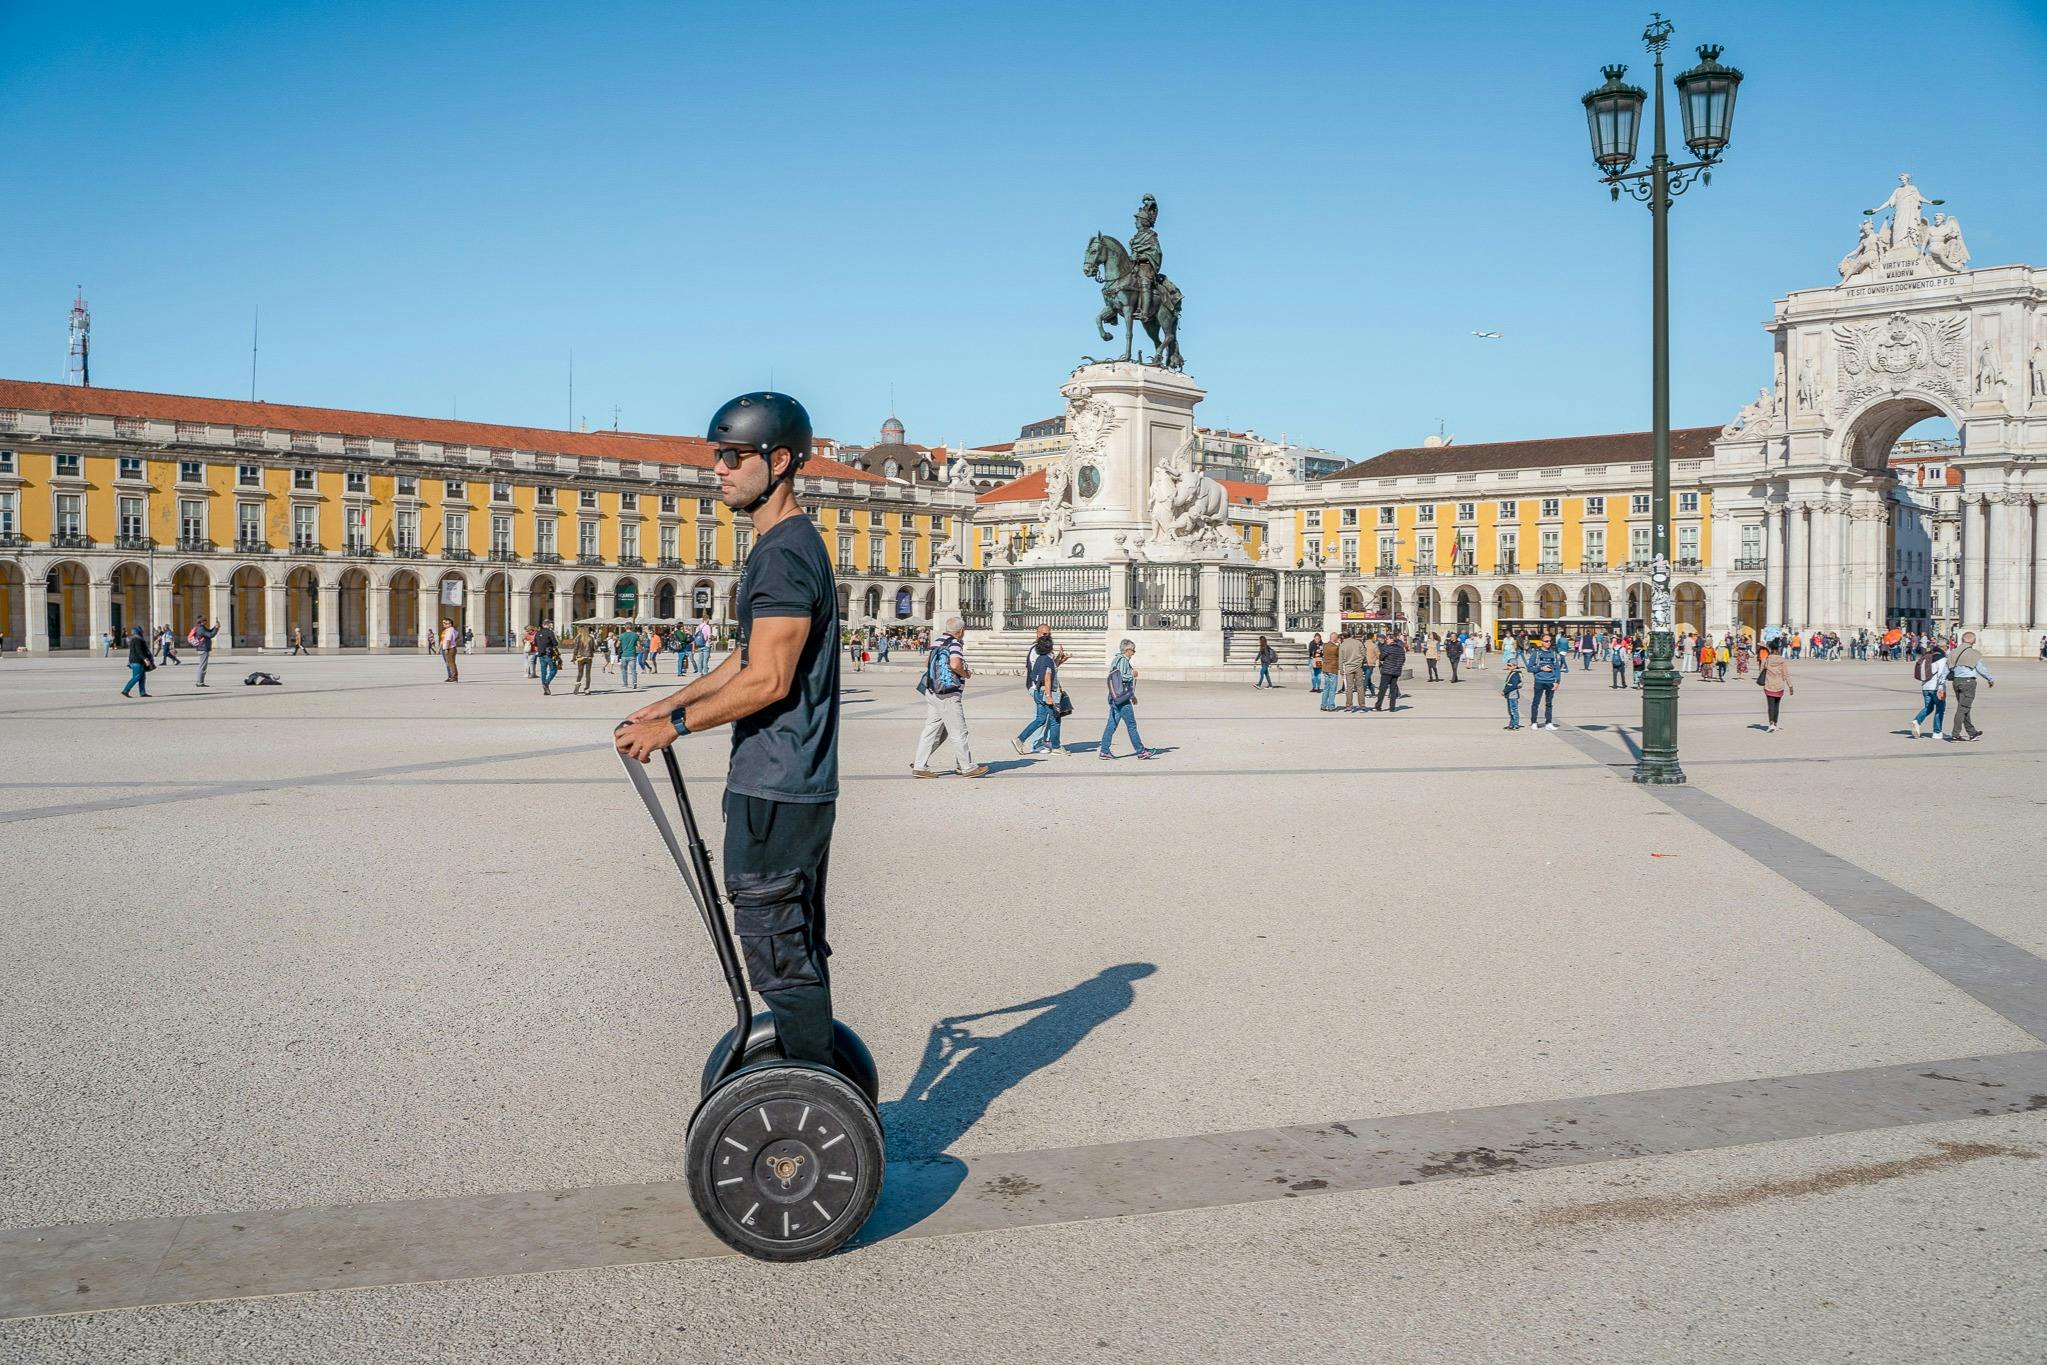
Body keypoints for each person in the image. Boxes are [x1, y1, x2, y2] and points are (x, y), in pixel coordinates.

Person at [616, 390, 845, 1067]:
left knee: (777, 955)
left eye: (733, 455)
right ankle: (813, 1074)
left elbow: (769, 680)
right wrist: (665, 705)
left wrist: (676, 727)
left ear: (779, 461)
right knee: (790, 943)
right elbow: (742, 659)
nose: (718, 467)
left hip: (779, 786)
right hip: (782, 783)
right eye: (717, 454)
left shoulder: (782, 554)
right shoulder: (784, 545)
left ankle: (809, 1090)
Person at [913, 617, 987, 777]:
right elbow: (955, 664)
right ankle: (967, 767)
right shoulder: (954, 643)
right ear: (961, 631)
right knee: (959, 731)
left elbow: (926, 664)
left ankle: (919, 766)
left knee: (930, 729)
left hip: (932, 690)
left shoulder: (938, 641)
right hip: (948, 694)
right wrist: (965, 674)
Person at [1099, 639, 1157, 759]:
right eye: (1133, 650)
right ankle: (1140, 751)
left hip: (1115, 696)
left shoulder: (1116, 659)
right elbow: (1121, 678)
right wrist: (1132, 675)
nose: (1134, 653)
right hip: (1122, 699)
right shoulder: (1123, 660)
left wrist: (1133, 695)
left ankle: (1104, 750)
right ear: (1127, 650)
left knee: (1112, 723)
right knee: (1131, 725)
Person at [1013, 637, 1063, 756]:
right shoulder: (1047, 660)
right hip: (1046, 692)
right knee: (1055, 719)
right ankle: (1056, 747)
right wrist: (1049, 695)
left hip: (1037, 691)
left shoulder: (1040, 659)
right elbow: (1047, 677)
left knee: (1040, 719)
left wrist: (1060, 657)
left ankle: (1020, 740)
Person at [1945, 631, 1995, 741]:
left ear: (1962, 640)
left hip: (1956, 681)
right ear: (1974, 641)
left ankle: (1972, 733)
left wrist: (1940, 684)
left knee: (1964, 707)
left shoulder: (1952, 652)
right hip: (1968, 682)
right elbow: (1981, 669)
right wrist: (1990, 679)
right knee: (1962, 708)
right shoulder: (1974, 653)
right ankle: (1955, 734)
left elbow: (1946, 669)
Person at [1525, 634, 1563, 731]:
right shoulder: (1536, 654)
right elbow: (1529, 668)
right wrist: (1541, 668)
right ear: (1541, 642)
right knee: (1536, 702)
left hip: (1550, 681)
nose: (1548, 643)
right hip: (1539, 681)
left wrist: (1557, 681)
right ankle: (1534, 722)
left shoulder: (1553, 653)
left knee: (1549, 703)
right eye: (1546, 641)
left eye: (1550, 641)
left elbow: (1557, 668)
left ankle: (1548, 722)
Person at [1909, 645, 1947, 740]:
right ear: (1944, 648)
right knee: (1940, 709)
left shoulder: (1926, 656)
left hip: (1925, 686)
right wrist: (1941, 687)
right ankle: (1937, 732)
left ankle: (1917, 721)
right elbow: (1941, 674)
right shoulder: (1941, 658)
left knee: (1928, 707)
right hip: (1936, 687)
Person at [1757, 645, 1792, 732]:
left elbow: (1761, 670)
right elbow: (1786, 674)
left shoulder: (1766, 659)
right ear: (1778, 651)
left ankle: (1771, 723)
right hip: (1779, 686)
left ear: (1771, 651)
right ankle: (1775, 724)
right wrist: (1790, 686)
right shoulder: (1782, 660)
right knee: (1777, 706)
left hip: (1769, 685)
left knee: (1770, 705)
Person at [1374, 633, 1406, 711]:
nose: (1386, 640)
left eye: (1387, 639)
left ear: (1391, 639)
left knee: (1382, 689)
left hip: (1387, 671)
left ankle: (1378, 705)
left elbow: (1381, 657)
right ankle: (1392, 707)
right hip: (1396, 671)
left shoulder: (1388, 648)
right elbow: (1403, 659)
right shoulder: (1401, 649)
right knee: (1393, 689)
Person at [120, 626, 154, 698]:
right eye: (141, 630)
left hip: (135, 661)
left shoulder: (134, 639)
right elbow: (139, 651)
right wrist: (145, 659)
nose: (142, 632)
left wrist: (129, 661)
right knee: (137, 677)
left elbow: (132, 651)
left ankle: (142, 692)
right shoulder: (138, 639)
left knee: (142, 677)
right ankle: (125, 690)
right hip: (138, 661)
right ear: (138, 631)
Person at [1339, 629, 1365, 712]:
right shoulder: (1358, 643)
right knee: (1360, 687)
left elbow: (1340, 659)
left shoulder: (1342, 645)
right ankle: (1362, 705)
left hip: (1348, 667)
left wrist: (1341, 669)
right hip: (1358, 666)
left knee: (1349, 688)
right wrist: (1360, 661)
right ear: (1351, 635)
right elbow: (1364, 654)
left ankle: (1349, 705)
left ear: (1343, 636)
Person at [534, 618, 561, 695]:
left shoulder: (538, 633)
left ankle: (545, 689)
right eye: (550, 624)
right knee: (554, 669)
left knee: (543, 671)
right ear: (548, 625)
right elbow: (555, 643)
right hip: (549, 654)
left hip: (540, 654)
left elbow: (535, 644)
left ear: (542, 625)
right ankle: (546, 683)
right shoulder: (550, 632)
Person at [191, 617, 219, 687]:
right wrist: (216, 628)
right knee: (202, 666)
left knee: (202, 665)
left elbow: (209, 631)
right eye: (205, 621)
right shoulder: (201, 628)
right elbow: (210, 635)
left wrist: (215, 627)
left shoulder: (200, 627)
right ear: (201, 622)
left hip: (202, 648)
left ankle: (200, 681)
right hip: (203, 649)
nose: (206, 622)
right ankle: (200, 682)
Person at [1318, 632, 1342, 711]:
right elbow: (1340, 655)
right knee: (1332, 689)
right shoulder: (1336, 647)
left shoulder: (1324, 645)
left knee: (1326, 688)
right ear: (1335, 638)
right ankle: (1331, 706)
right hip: (1333, 669)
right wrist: (1339, 644)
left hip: (1325, 668)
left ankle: (1323, 705)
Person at [571, 626, 594, 693]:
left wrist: (574, 658)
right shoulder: (591, 638)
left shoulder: (578, 638)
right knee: (588, 674)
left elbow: (575, 649)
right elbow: (594, 648)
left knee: (580, 673)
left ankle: (577, 685)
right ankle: (587, 689)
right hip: (589, 657)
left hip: (580, 657)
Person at [618, 623, 641, 690]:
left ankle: (625, 684)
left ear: (625, 627)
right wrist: (641, 650)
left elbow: (617, 645)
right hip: (632, 655)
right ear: (631, 627)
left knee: (624, 670)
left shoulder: (622, 635)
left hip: (624, 655)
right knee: (633, 670)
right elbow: (638, 645)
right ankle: (634, 683)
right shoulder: (635, 635)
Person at [1502, 659, 1522, 730]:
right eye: (1507, 665)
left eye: (1510, 665)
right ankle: (1511, 723)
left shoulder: (1516, 674)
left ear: (1515, 666)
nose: (1508, 667)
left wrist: (1505, 691)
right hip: (1509, 695)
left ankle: (1515, 724)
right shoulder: (1512, 672)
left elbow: (1513, 685)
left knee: (1513, 710)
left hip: (1513, 695)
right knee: (1510, 710)